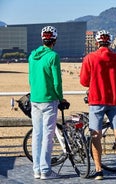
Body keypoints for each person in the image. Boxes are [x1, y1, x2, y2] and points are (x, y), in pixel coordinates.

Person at [80, 30, 116, 180]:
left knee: (96, 134)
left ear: (97, 42)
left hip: (96, 100)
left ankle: (99, 170)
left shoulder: (90, 58)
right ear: (110, 42)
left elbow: (83, 81)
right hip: (115, 100)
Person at [29, 26, 64, 180]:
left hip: (35, 99)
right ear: (54, 40)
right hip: (49, 99)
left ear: (42, 39)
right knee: (47, 136)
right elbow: (57, 82)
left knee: (37, 135)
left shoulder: (32, 56)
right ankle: (46, 170)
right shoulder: (53, 56)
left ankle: (36, 169)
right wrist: (60, 98)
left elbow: (31, 79)